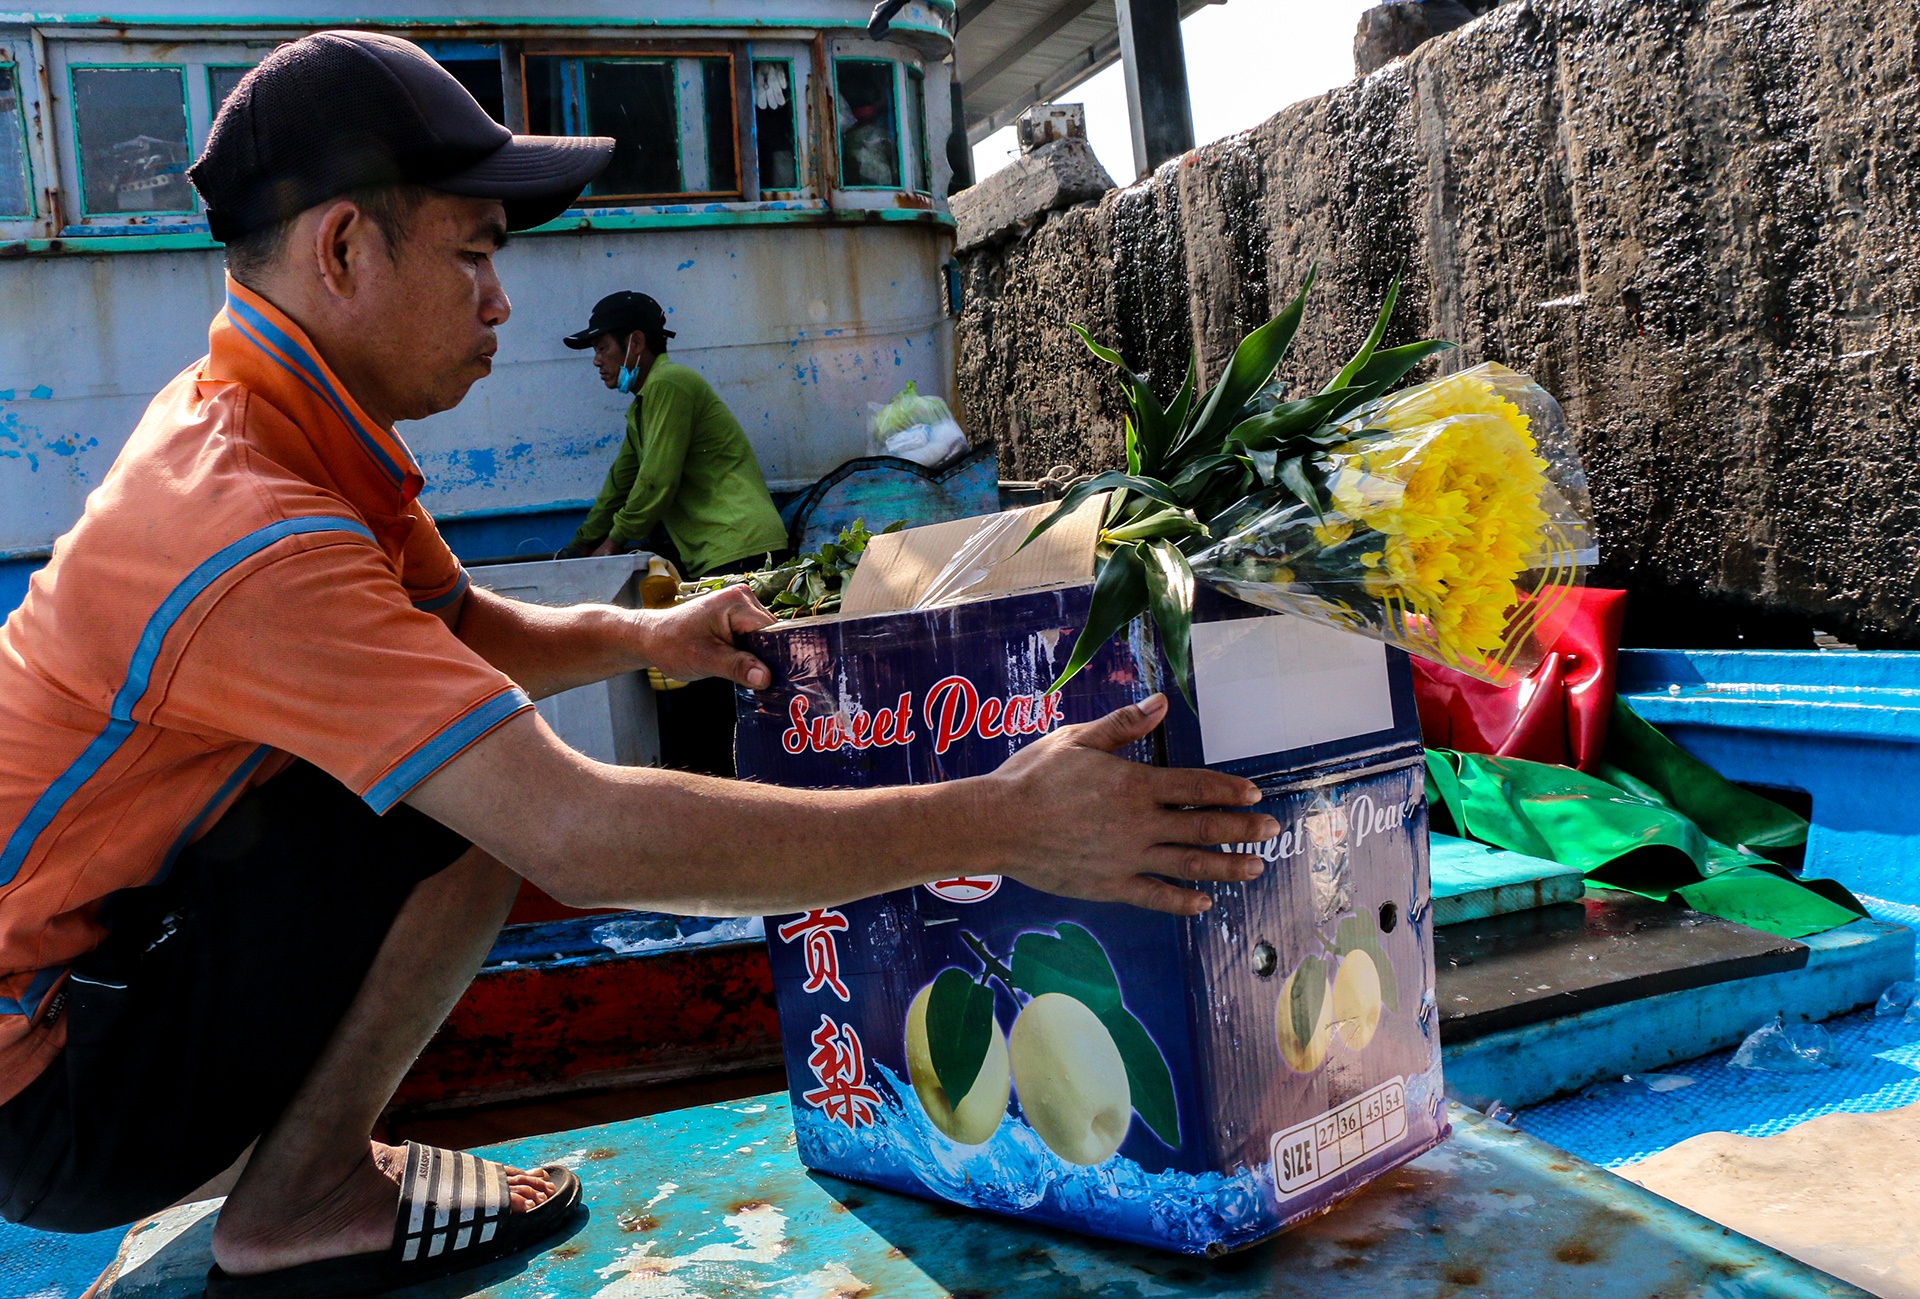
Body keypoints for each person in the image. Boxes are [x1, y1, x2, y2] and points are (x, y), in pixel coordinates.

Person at [0, 29, 1276, 1298]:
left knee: (462, 747)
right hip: (45, 1091)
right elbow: (580, 837)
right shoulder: (255, 528)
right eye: (476, 256)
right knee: (485, 801)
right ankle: (305, 1200)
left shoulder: (273, 421)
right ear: (343, 249)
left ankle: (303, 1181)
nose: (501, 302)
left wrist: (652, 634)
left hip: (103, 978)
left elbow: (455, 635)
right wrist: (1004, 822)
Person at [559, 290, 790, 775]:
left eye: (602, 347)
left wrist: (611, 545)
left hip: (740, 547)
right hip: (717, 552)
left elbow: (655, 482)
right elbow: (620, 483)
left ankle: (739, 788)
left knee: (723, 689)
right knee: (717, 684)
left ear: (635, 342)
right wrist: (581, 544)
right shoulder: (644, 404)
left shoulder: (670, 386)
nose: (597, 360)